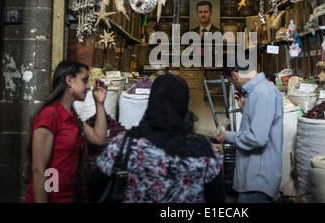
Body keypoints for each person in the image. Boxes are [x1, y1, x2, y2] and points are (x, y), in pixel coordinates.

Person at [87, 74, 225, 203]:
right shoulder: (205, 151)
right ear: (184, 104)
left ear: (151, 101)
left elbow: (93, 190)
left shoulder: (123, 145)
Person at [25, 60, 108, 203]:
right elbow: (39, 170)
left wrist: (99, 103)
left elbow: (99, 138)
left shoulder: (71, 117)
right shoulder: (50, 116)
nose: (88, 86)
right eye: (84, 80)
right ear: (69, 80)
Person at [215, 60, 284, 203]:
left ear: (235, 75)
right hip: (254, 178)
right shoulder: (258, 92)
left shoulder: (261, 93)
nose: (233, 85)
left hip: (257, 180)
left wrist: (228, 136)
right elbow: (262, 126)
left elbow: (257, 138)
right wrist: (245, 109)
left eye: (231, 82)